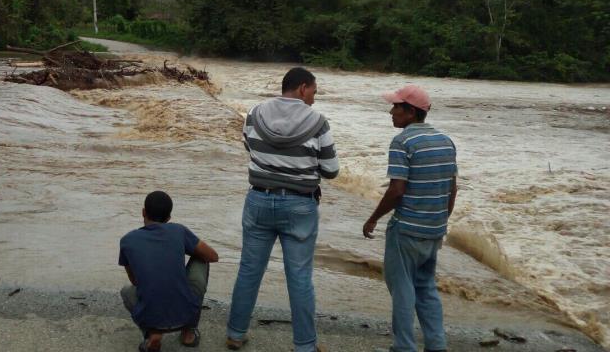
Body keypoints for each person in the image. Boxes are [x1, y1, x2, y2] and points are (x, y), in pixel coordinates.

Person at [226, 67, 339, 352]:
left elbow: (249, 147)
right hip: (300, 205)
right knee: (300, 276)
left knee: (249, 269)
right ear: (302, 88)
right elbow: (331, 170)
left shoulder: (255, 113)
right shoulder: (318, 122)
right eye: (313, 90)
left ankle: (235, 333)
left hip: (259, 200)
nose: (314, 96)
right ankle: (305, 345)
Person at [363, 85, 458, 352]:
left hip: (405, 230)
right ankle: (436, 345)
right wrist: (441, 222)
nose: (391, 112)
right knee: (426, 289)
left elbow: (397, 190)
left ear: (411, 112)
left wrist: (372, 219)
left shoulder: (402, 142)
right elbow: (452, 188)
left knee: (403, 290)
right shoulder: (445, 141)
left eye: (396, 107)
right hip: (433, 230)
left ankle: (404, 347)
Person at [119, 190, 219, 352]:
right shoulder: (178, 230)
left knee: (126, 291)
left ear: (143, 212)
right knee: (203, 259)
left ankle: (152, 333)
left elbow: (135, 281)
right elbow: (213, 256)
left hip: (150, 316)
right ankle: (188, 332)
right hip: (185, 314)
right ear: (169, 218)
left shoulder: (127, 241)